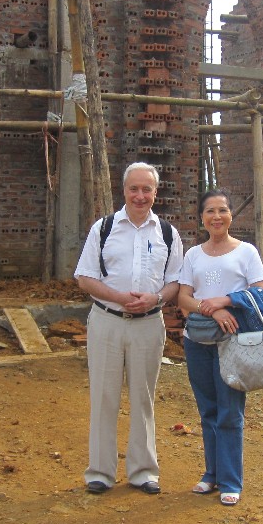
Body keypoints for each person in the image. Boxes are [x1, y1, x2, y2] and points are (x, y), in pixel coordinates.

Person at [73, 162, 183, 495]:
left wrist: (155, 298)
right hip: (106, 321)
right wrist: (119, 297)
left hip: (148, 325)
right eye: (134, 188)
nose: (140, 195)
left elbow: (175, 282)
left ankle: (143, 471)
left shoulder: (167, 233)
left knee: (143, 398)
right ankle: (100, 472)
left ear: (155, 192)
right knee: (103, 397)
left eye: (146, 189)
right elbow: (84, 277)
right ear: (124, 190)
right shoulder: (104, 228)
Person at [177, 189, 263, 507]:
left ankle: (230, 480)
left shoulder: (246, 252)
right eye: (210, 211)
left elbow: (261, 292)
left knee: (230, 411)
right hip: (197, 341)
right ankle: (211, 474)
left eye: (223, 210)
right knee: (208, 410)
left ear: (231, 215)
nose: (217, 216)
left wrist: (226, 300)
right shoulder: (193, 255)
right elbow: (183, 298)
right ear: (201, 218)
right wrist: (213, 310)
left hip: (233, 343)